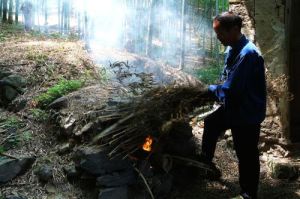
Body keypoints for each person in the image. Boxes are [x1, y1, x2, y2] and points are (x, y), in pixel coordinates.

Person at [198, 12, 266, 199]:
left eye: (220, 33)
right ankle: (205, 165)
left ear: (234, 30)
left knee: (246, 154)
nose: (217, 37)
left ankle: (248, 194)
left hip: (247, 112)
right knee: (212, 122)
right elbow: (226, 77)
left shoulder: (248, 54)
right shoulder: (232, 48)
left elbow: (231, 89)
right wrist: (216, 87)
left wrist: (208, 89)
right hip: (234, 106)